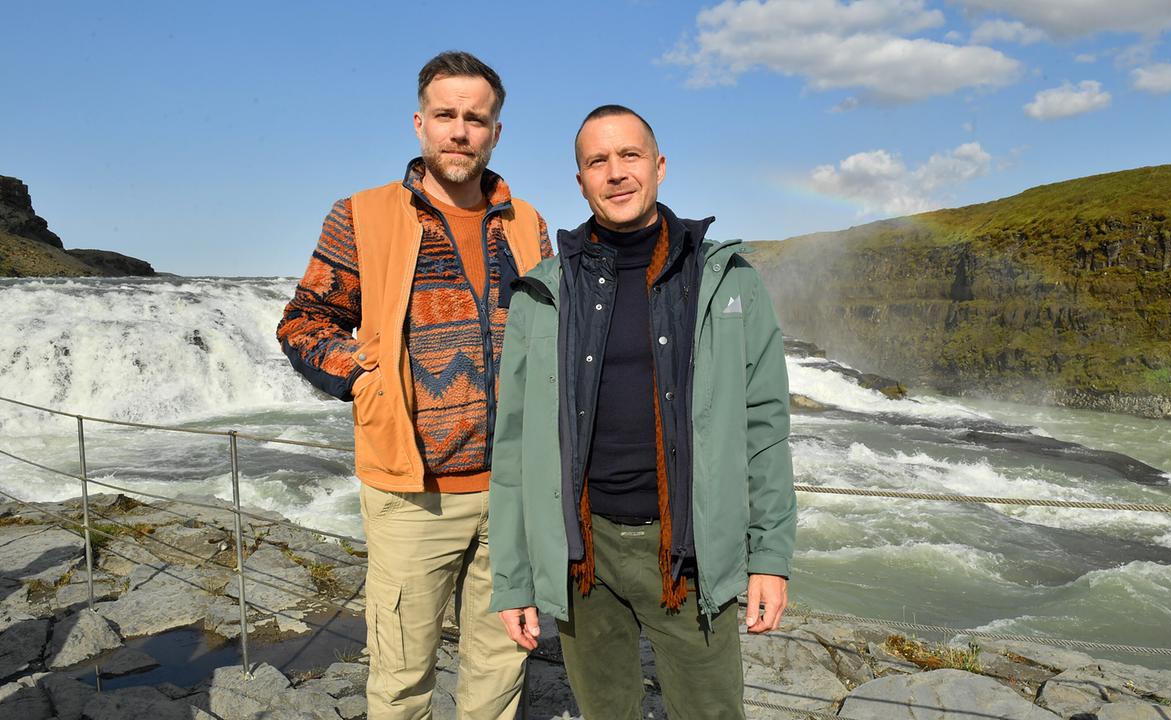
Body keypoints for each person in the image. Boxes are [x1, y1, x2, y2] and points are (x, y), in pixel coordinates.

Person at [488, 104, 796, 719]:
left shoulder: (728, 279)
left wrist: (770, 556)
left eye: (629, 156)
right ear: (580, 181)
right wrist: (515, 579)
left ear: (658, 166)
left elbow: (765, 424)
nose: (616, 172)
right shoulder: (543, 292)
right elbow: (515, 448)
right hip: (584, 557)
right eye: (597, 161)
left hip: (689, 549)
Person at [276, 50, 552, 720]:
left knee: (500, 669)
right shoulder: (360, 215)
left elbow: (552, 341)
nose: (461, 131)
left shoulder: (529, 224)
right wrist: (364, 380)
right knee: (401, 678)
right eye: (447, 115)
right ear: (420, 124)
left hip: (512, 493)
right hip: (410, 494)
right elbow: (304, 322)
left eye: (476, 118)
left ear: (495, 132)